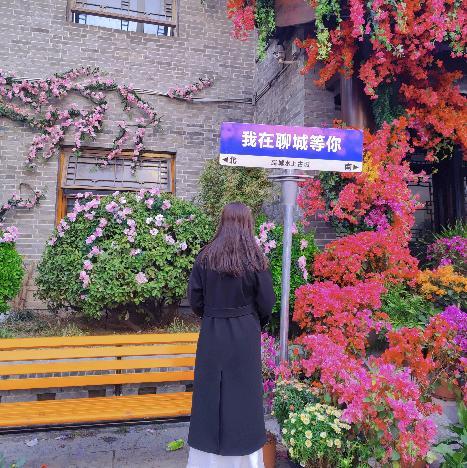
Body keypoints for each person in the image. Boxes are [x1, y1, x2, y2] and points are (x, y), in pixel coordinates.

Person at [186, 202, 276, 468]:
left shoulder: (205, 257)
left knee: (210, 392)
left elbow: (195, 300)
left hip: (213, 332)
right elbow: (267, 302)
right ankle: (244, 459)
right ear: (247, 224)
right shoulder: (255, 259)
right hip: (245, 333)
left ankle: (208, 459)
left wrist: (212, 314)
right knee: (244, 394)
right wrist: (254, 321)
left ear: (223, 222)